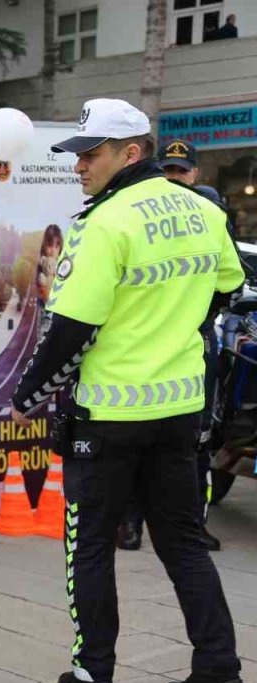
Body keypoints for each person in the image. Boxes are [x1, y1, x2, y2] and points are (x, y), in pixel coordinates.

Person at [12, 98, 248, 683]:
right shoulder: (203, 211)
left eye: (90, 154)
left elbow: (71, 332)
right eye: (77, 154)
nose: (79, 166)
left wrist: (28, 395)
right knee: (185, 542)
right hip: (179, 413)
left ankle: (94, 678)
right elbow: (228, 287)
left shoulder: (105, 223)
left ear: (131, 152)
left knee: (88, 545)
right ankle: (219, 675)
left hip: (108, 418)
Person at [118, 138, 224, 553]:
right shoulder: (142, 215)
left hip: (194, 342)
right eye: (168, 170)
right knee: (134, 434)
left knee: (198, 438)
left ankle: (193, 524)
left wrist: (196, 320)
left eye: (181, 171)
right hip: (145, 341)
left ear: (195, 174)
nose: (174, 177)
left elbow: (227, 282)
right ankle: (130, 523)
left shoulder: (209, 216)